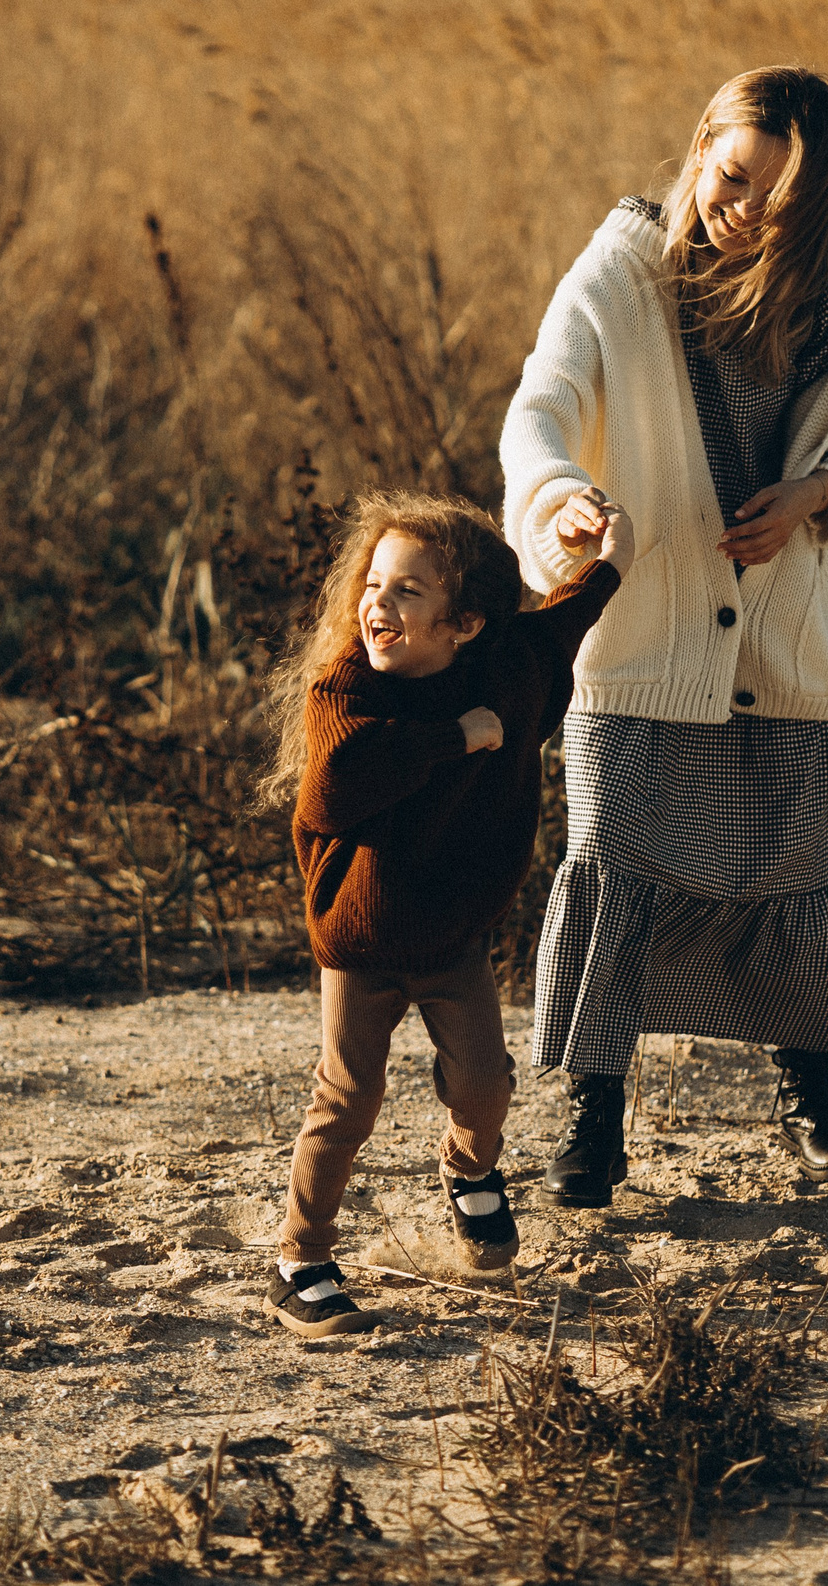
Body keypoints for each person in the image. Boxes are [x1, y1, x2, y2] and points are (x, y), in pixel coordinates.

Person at [499, 64, 828, 1207]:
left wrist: (819, 495)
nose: (742, 214)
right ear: (699, 149)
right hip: (643, 637)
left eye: (776, 205)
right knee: (612, 861)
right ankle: (592, 1115)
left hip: (783, 646)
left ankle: (809, 1093)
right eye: (731, 180)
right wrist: (561, 503)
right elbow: (540, 409)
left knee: (791, 869)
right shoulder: (622, 276)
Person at [259, 490, 631, 1337]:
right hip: (359, 942)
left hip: (453, 938)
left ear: (463, 624)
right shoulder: (344, 686)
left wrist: (611, 561)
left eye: (405, 592)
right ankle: (300, 1259)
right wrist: (455, 738)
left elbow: (558, 626)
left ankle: (470, 1174)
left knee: (483, 1082)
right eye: (374, 583)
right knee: (347, 1100)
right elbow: (336, 784)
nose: (375, 606)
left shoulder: (501, 671)